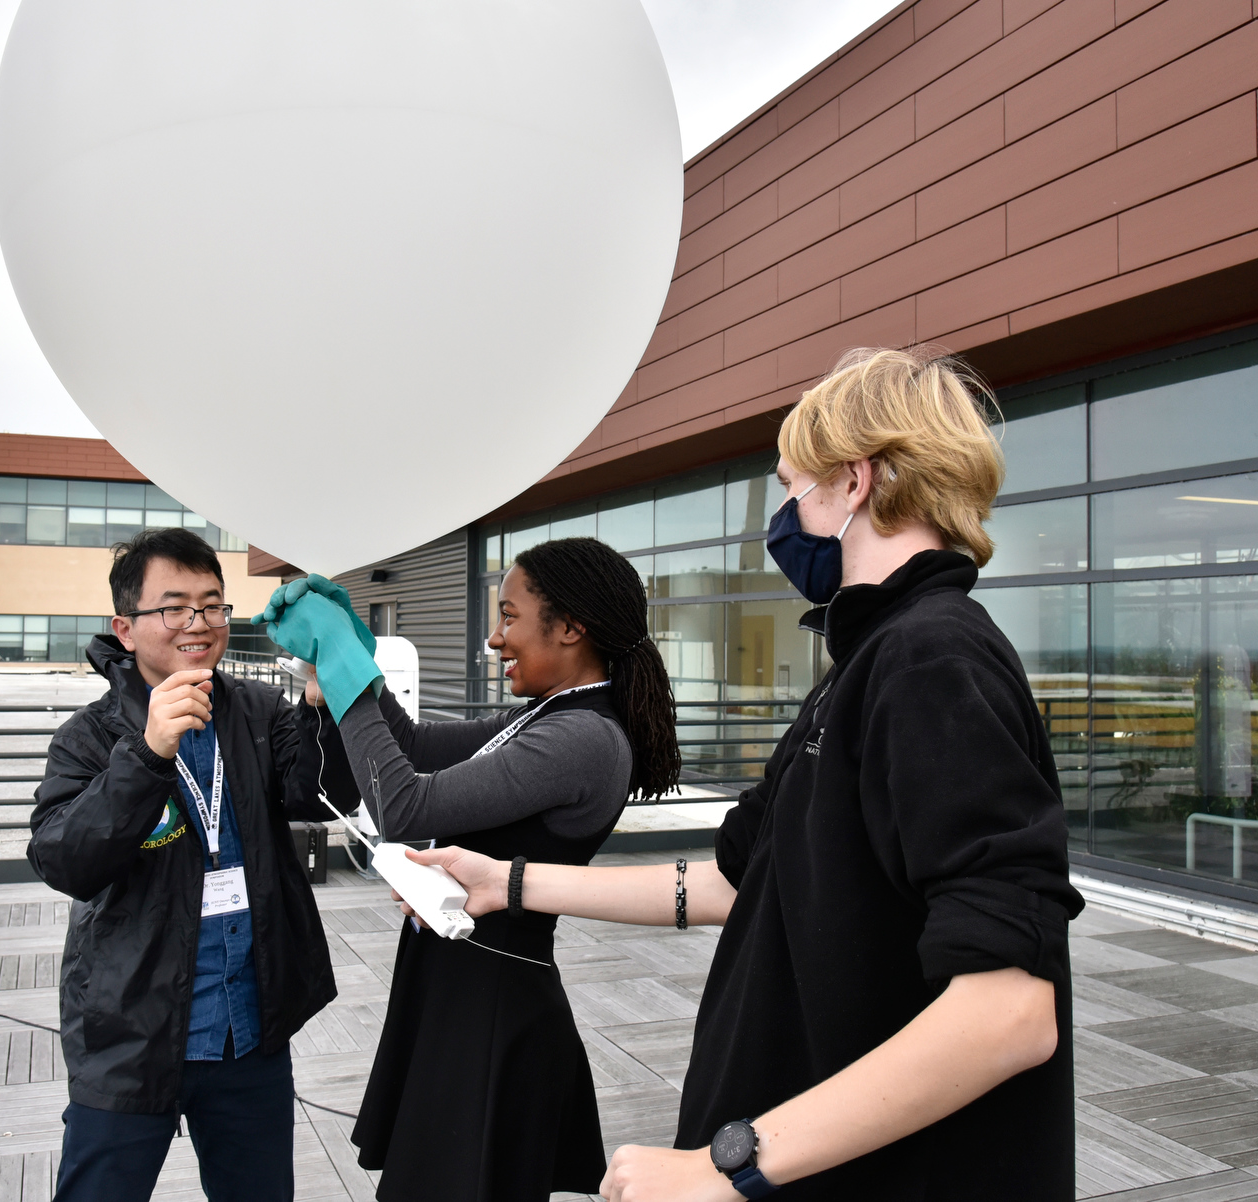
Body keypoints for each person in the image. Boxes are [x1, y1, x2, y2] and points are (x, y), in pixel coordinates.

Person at [406, 348, 1084, 1200]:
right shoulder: (865, 660)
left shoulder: (933, 659)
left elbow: (1008, 1014)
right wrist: (503, 882)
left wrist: (728, 1167)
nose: (784, 513)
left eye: (791, 485)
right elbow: (734, 882)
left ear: (854, 481)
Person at [254, 538, 682, 1202]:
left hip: (492, 1018)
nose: (493, 638)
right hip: (462, 994)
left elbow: (404, 805)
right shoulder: (549, 716)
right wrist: (354, 670)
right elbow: (414, 747)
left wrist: (343, 668)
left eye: (509, 616)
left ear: (570, 627)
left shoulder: (584, 739)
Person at [28, 527, 337, 1202]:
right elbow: (66, 861)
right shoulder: (90, 736)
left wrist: (320, 700)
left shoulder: (258, 711)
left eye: (213, 605)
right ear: (126, 627)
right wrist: (147, 755)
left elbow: (319, 795)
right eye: (175, 607)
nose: (198, 624)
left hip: (247, 1032)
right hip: (131, 1031)